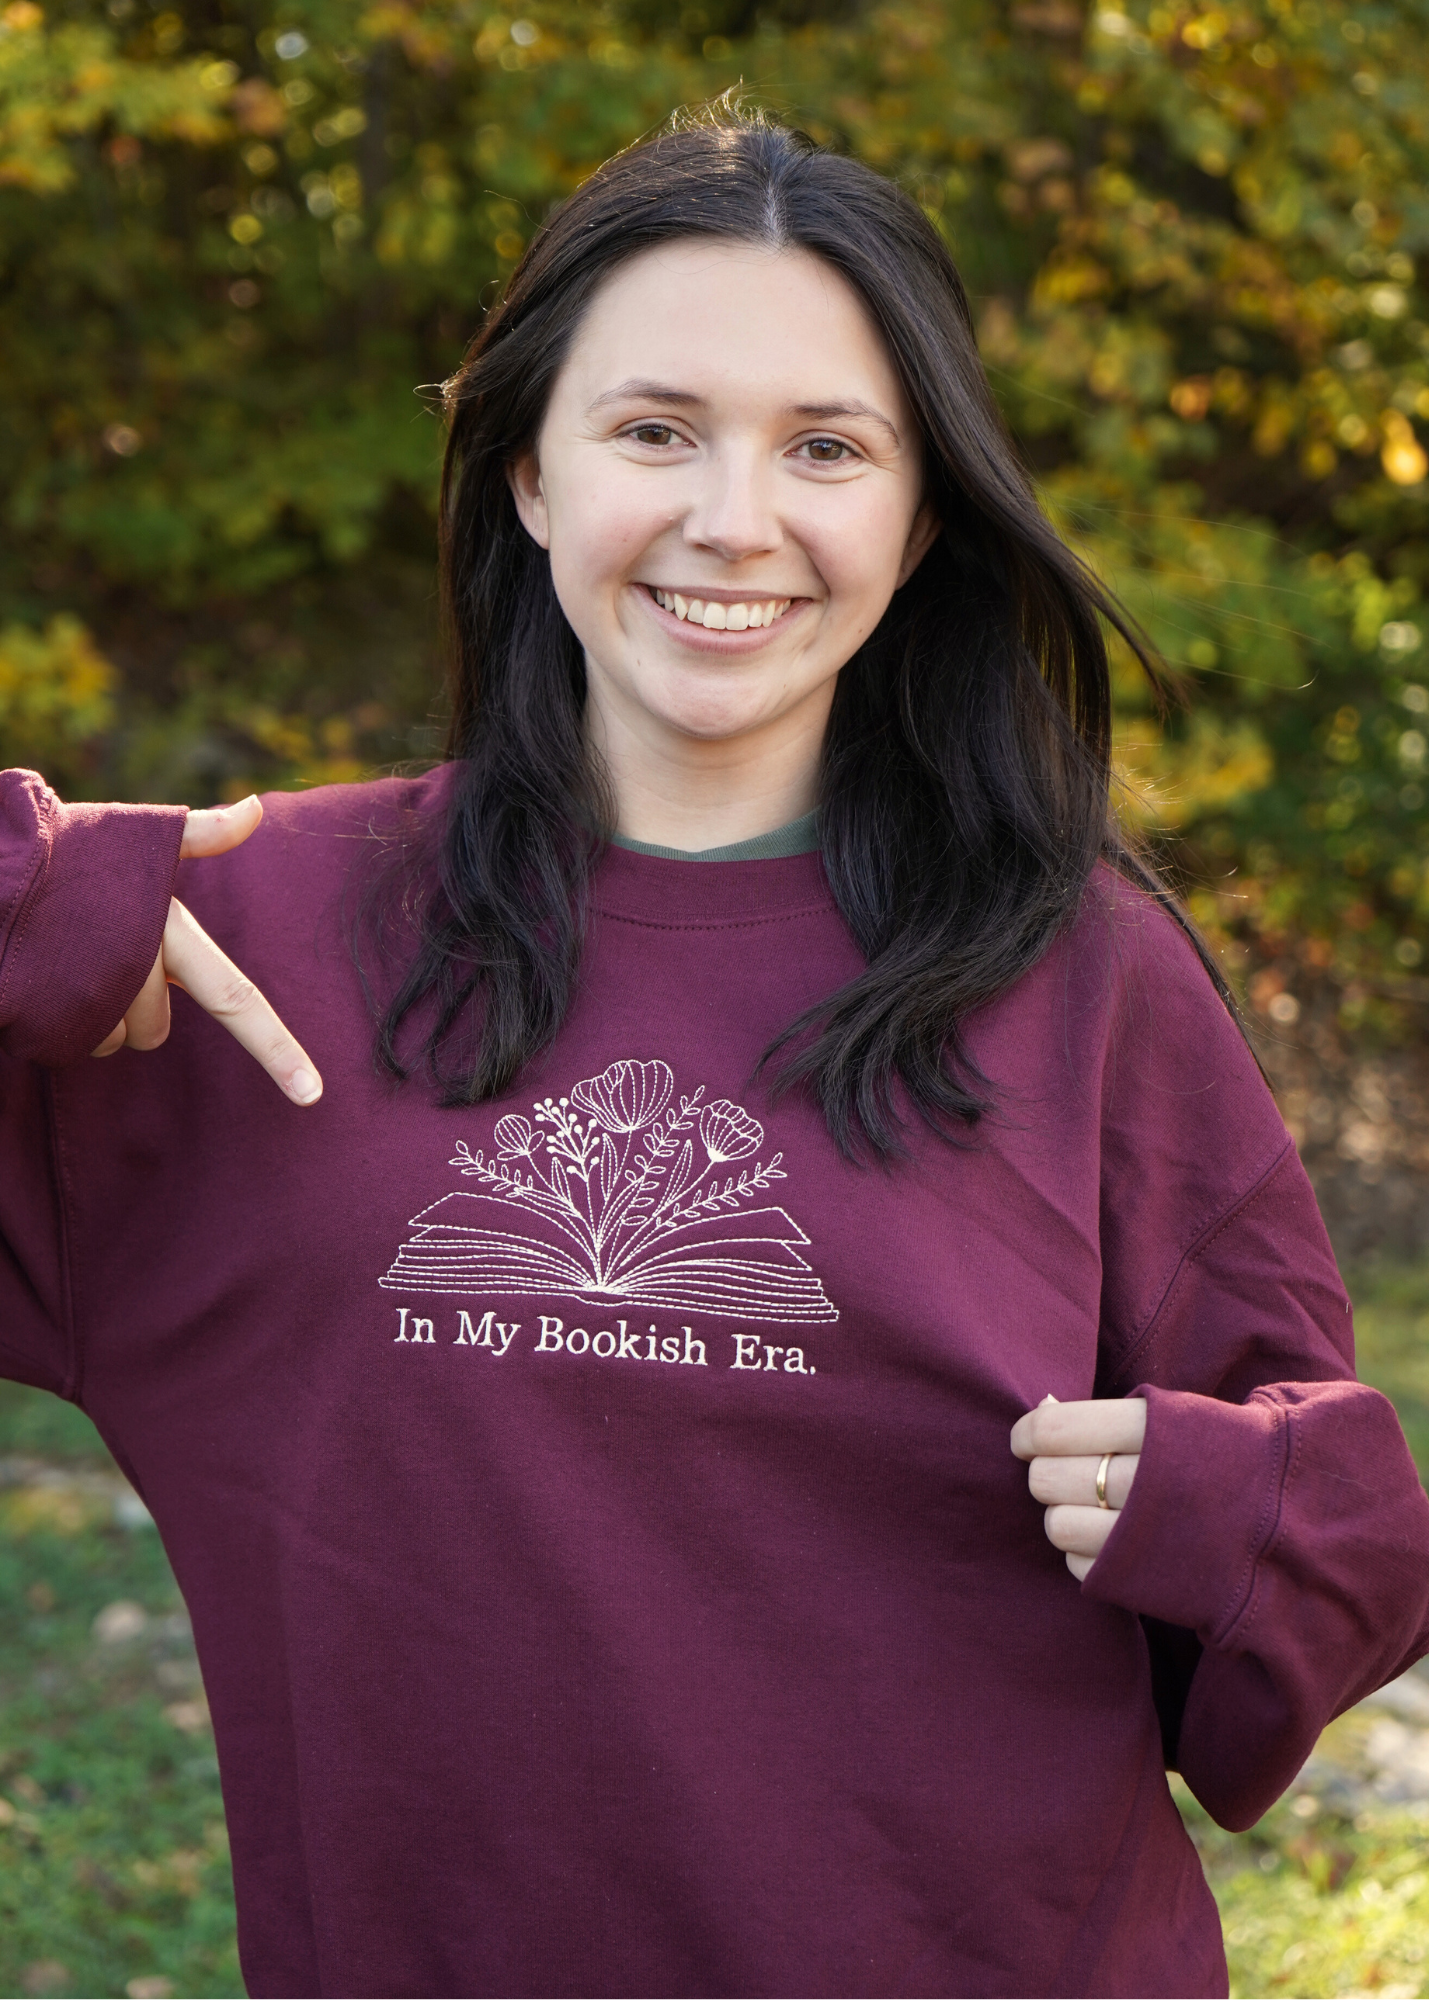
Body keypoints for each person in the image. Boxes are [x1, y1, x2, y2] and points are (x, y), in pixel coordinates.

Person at [2, 104, 1426, 2000]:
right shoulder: (234, 944)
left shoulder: (1082, 969)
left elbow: (1336, 1557)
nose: (731, 518)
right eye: (654, 429)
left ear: (920, 521)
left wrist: (1239, 1509)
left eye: (826, 448)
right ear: (526, 472)